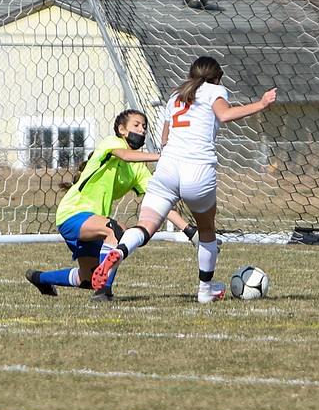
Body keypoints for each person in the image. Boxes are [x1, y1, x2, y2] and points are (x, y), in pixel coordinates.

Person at [92, 55, 277, 304]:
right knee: (207, 230)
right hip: (197, 169)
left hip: (168, 166)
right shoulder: (215, 90)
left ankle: (119, 250)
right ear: (217, 77)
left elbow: (165, 138)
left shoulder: (176, 95)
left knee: (145, 224)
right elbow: (223, 115)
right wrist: (262, 104)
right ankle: (205, 289)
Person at [25, 108, 198, 302]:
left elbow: (160, 202)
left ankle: (39, 278)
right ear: (122, 129)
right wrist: (163, 157)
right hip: (73, 213)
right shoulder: (112, 143)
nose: (142, 130)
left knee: (87, 279)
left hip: (93, 223)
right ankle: (104, 292)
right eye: (136, 125)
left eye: (144, 127)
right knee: (115, 230)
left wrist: (189, 230)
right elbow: (125, 155)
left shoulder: (138, 169)